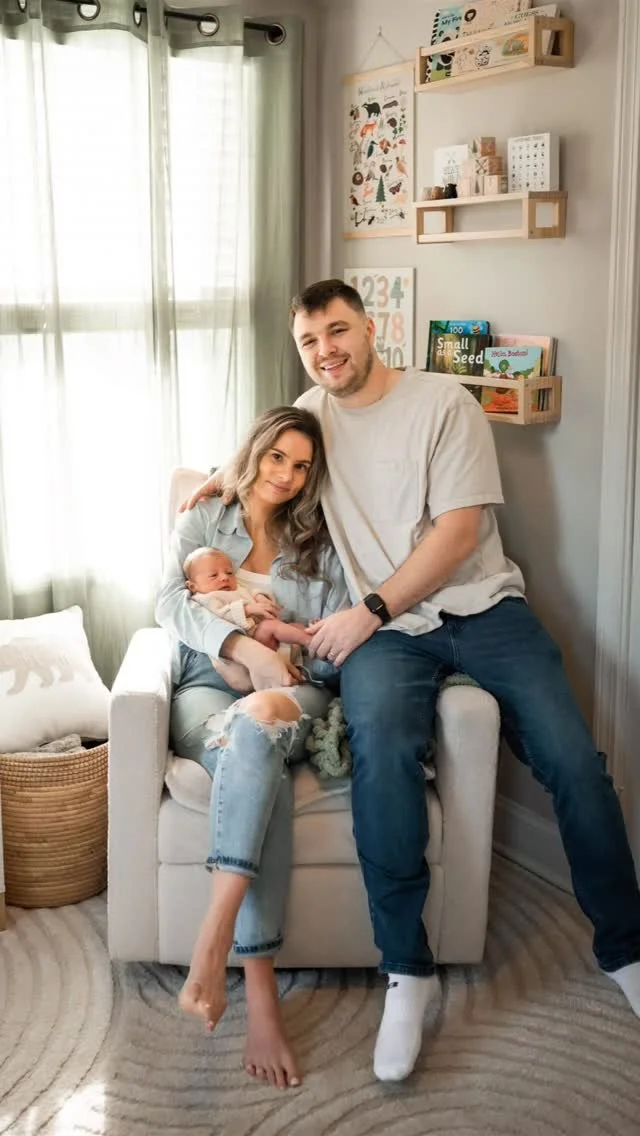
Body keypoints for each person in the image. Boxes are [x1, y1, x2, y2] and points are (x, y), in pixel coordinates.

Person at [183, 279, 640, 1084]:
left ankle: (626, 948)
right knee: (384, 761)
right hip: (391, 638)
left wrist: (368, 609)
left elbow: (459, 533)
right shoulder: (313, 412)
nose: (326, 351)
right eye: (310, 341)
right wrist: (217, 479)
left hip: (479, 610)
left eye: (338, 331)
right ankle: (407, 970)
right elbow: (263, 458)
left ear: (370, 328)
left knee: (574, 761)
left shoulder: (443, 403)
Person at [156, 405, 346, 1090]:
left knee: (262, 719)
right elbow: (169, 603)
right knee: (254, 747)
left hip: (294, 687)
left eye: (301, 466)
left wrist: (282, 660)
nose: (286, 476)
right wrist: (243, 647)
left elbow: (330, 640)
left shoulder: (321, 537)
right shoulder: (206, 517)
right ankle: (261, 992)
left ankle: (215, 941)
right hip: (206, 686)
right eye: (276, 458)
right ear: (256, 451)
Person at [183, 545, 317, 692]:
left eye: (229, 572)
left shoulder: (234, 589)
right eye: (213, 575)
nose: (224, 577)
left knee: (293, 626)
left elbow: (250, 592)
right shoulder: (205, 599)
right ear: (193, 586)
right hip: (242, 658)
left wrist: (260, 597)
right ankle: (311, 642)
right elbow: (219, 616)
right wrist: (247, 609)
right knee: (269, 626)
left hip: (261, 641)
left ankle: (314, 634)